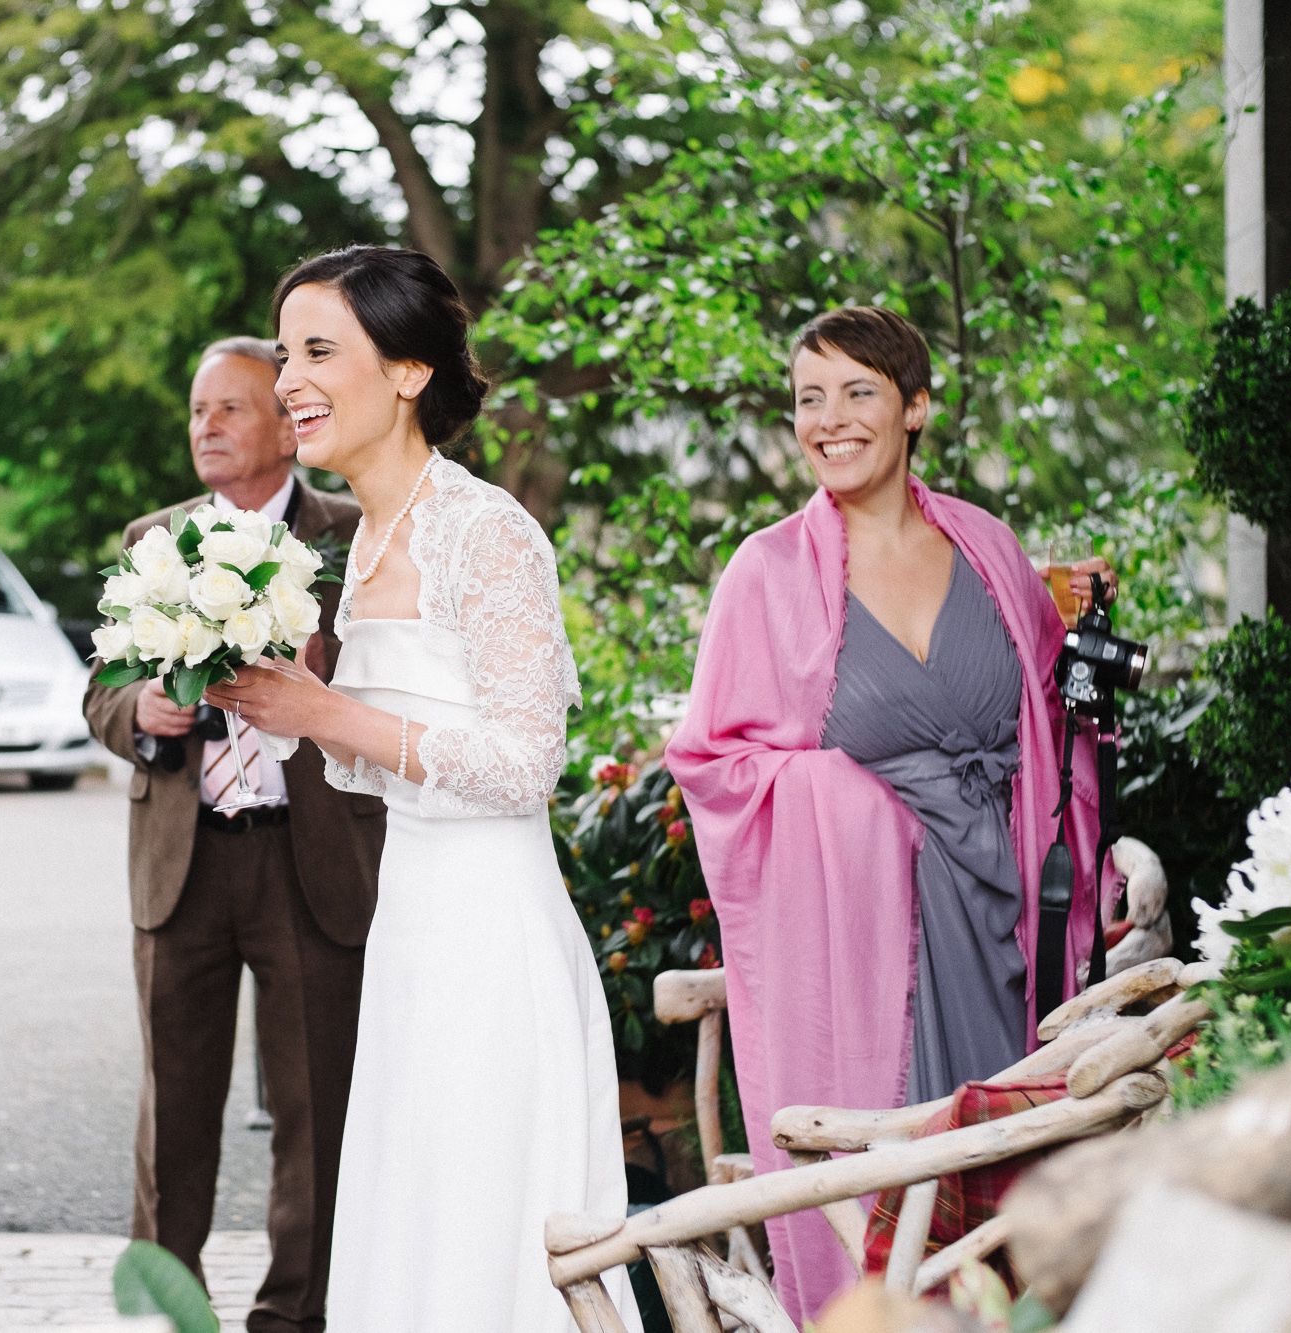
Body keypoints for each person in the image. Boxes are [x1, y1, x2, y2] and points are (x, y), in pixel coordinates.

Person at [206, 248, 640, 1332]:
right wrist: (293, 704)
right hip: (409, 925)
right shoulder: (361, 546)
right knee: (414, 1220)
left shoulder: (484, 532)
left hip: (492, 939)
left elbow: (523, 761)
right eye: (282, 354)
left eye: (317, 352)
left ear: (405, 372)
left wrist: (327, 715)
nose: (287, 380)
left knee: (488, 1230)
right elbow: (372, 756)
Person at [663, 306, 1111, 1321]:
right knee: (884, 1196)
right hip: (859, 944)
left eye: (856, 391)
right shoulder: (765, 573)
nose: (827, 420)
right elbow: (711, 764)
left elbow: (1052, 734)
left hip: (997, 929)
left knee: (1010, 1192)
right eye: (806, 399)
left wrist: (1089, 637)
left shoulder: (990, 551)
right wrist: (861, 804)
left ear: (912, 407)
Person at [81, 336, 385, 1332]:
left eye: (227, 409)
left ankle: (295, 1316)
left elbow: (385, 688)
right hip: (184, 855)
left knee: (315, 1109)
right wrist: (143, 714)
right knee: (172, 1111)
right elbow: (102, 690)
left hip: (313, 855)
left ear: (284, 421)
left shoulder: (355, 533)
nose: (203, 428)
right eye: (196, 412)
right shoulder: (152, 537)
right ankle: (172, 1313)